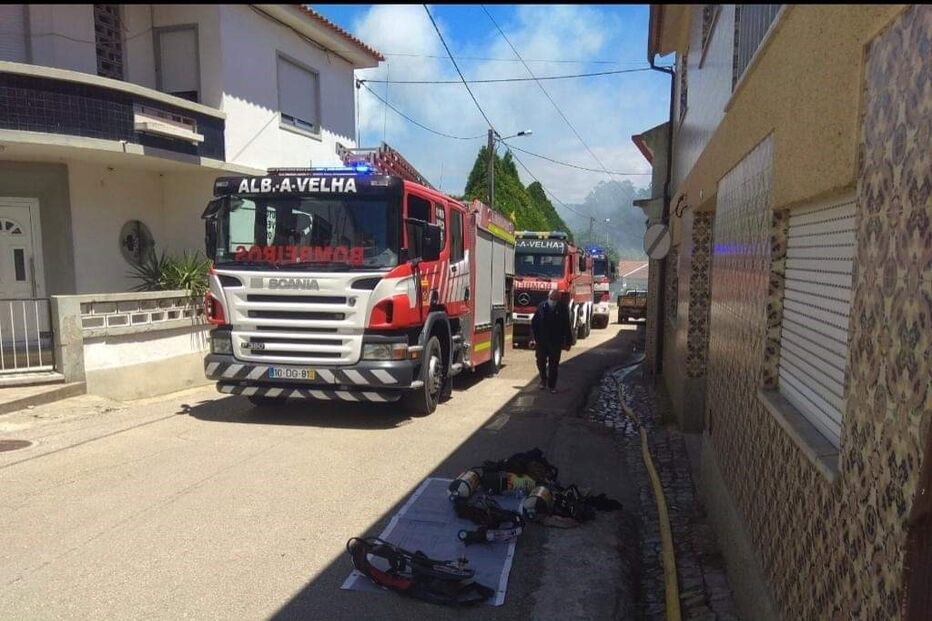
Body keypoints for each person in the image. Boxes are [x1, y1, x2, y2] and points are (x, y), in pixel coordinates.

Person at [530, 289, 573, 393]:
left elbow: (567, 326)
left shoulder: (563, 308)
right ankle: (543, 380)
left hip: (555, 341)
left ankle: (552, 385)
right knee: (540, 361)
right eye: (551, 298)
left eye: (555, 299)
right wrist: (532, 339)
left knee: (554, 364)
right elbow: (534, 325)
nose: (553, 301)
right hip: (541, 340)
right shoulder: (541, 307)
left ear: (558, 299)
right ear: (548, 298)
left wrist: (568, 342)